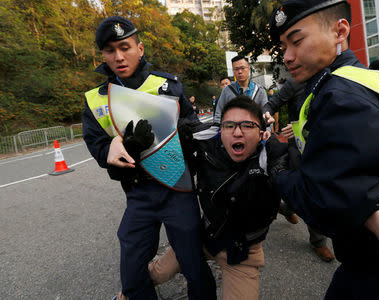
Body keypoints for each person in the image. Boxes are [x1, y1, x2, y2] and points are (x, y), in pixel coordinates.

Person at [268, 1, 379, 299]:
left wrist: (278, 171)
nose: (287, 56)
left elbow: (324, 201)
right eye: (284, 45)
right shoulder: (348, 82)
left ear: (340, 31)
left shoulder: (341, 94)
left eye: (297, 41)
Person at [82, 16, 216, 300]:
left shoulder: (166, 86)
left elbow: (192, 126)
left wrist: (188, 132)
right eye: (109, 50)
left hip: (177, 188)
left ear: (139, 49)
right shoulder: (96, 99)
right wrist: (113, 150)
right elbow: (97, 144)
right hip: (138, 192)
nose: (118, 56)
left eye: (125, 46)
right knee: (132, 275)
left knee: (194, 266)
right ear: (102, 55)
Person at [147, 96, 285, 300]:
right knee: (157, 273)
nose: (237, 132)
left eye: (247, 125)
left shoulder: (274, 159)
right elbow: (173, 125)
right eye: (229, 126)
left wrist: (283, 165)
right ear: (220, 131)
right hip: (202, 237)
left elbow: (307, 192)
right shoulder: (207, 144)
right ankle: (128, 293)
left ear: (261, 133)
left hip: (242, 254)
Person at [263, 78, 335, 262]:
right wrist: (267, 115)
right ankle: (318, 241)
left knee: (316, 193)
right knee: (306, 190)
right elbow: (271, 105)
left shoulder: (333, 79)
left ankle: (289, 210)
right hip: (298, 148)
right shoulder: (295, 83)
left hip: (324, 146)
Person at [213, 55, 268, 124]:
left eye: (242, 68)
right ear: (233, 71)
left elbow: (266, 115)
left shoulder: (259, 91)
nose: (239, 72)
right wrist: (220, 130)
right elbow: (218, 114)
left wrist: (265, 131)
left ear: (249, 69)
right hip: (232, 132)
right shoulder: (227, 90)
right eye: (236, 69)